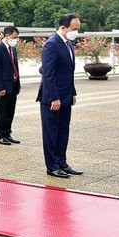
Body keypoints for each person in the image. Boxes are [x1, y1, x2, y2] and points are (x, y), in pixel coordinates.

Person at [38, 13, 82, 179]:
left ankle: (62, 162)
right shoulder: (52, 44)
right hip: (52, 98)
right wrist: (54, 97)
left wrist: (73, 93)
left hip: (66, 96)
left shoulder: (68, 44)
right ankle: (52, 166)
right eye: (74, 29)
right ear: (63, 27)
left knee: (63, 131)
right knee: (51, 133)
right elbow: (48, 74)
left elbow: (67, 72)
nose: (76, 32)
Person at [0, 26, 22, 145]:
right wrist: (0, 87)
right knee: (2, 112)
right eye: (14, 37)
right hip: (3, 86)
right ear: (6, 36)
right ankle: (0, 135)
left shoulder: (12, 49)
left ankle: (7, 133)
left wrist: (18, 84)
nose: (16, 40)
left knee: (10, 111)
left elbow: (15, 67)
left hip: (13, 85)